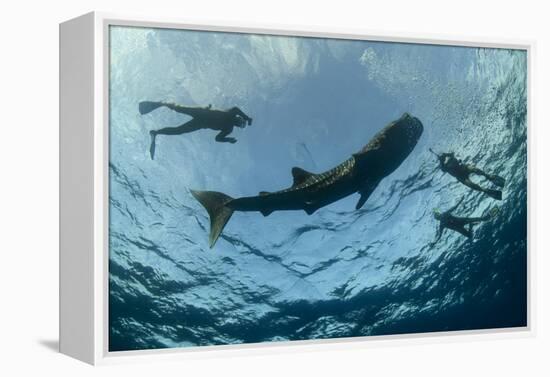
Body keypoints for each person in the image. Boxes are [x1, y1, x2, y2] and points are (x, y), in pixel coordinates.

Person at [139, 101, 253, 159]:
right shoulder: (232, 113)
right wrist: (247, 117)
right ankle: (161, 103)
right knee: (177, 108)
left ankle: (156, 133)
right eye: (241, 121)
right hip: (202, 112)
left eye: (241, 125)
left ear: (238, 126)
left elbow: (217, 138)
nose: (240, 123)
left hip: (200, 123)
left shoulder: (229, 129)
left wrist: (228, 140)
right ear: (240, 118)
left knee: (179, 130)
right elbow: (237, 109)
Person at [430, 149, 505, 200]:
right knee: (472, 185)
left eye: (442, 157)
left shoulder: (450, 157)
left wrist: (446, 154)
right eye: (441, 158)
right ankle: (485, 190)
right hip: (461, 177)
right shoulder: (444, 166)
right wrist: (441, 161)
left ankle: (488, 176)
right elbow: (443, 169)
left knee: (474, 169)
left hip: (464, 168)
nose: (442, 158)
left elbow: (452, 153)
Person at [431, 197, 498, 245]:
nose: (438, 216)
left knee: (483, 219)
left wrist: (460, 201)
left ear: (438, 214)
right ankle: (471, 225)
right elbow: (440, 235)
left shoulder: (443, 218)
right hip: (460, 226)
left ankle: (494, 210)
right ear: (437, 218)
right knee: (470, 236)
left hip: (462, 222)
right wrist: (435, 242)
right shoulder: (442, 224)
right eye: (436, 216)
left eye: (436, 215)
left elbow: (455, 207)